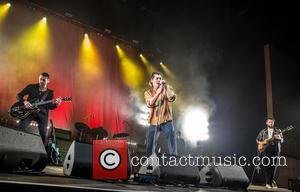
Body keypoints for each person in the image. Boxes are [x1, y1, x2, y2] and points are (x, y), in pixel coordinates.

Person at [16, 72, 62, 147]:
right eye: (40, 79)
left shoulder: (50, 93)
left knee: (43, 136)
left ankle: (41, 153)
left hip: (42, 114)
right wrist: (25, 102)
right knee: (20, 129)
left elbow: (50, 106)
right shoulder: (31, 87)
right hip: (29, 112)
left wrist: (56, 104)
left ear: (48, 81)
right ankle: (16, 145)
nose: (41, 81)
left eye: (44, 80)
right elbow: (18, 96)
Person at [144, 71, 177, 156]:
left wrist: (166, 87)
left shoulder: (167, 88)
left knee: (171, 139)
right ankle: (149, 160)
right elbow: (150, 103)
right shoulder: (147, 93)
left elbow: (172, 97)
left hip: (166, 120)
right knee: (150, 143)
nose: (159, 80)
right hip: (154, 121)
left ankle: (174, 159)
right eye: (157, 78)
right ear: (152, 80)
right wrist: (158, 92)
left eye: (160, 78)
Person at [256, 118, 283, 189]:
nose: (271, 123)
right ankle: (269, 182)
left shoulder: (278, 130)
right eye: (270, 122)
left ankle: (270, 182)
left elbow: (282, 140)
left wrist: (279, 138)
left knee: (274, 167)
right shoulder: (263, 131)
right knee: (267, 166)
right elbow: (257, 140)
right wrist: (262, 143)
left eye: (272, 122)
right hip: (266, 150)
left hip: (275, 149)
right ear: (266, 123)